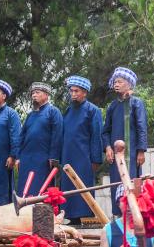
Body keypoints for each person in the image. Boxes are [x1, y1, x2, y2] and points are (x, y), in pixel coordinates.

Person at [102, 67, 148, 215]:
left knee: (132, 181)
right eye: (115, 81)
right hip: (116, 155)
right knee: (116, 182)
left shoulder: (136, 103)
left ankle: (134, 214)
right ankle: (117, 215)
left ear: (129, 84)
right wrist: (108, 147)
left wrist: (141, 150)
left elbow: (142, 127)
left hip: (133, 152)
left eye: (120, 81)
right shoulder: (113, 106)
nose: (116, 84)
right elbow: (105, 131)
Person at [61, 76, 105, 224]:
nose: (73, 94)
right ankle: (71, 218)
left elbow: (96, 136)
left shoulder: (93, 110)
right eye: (71, 91)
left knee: (82, 186)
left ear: (85, 92)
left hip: (83, 156)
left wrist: (96, 159)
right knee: (68, 187)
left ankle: (83, 217)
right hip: (67, 155)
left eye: (76, 91)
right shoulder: (68, 110)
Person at [17, 82, 63, 196]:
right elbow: (21, 136)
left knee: (41, 188)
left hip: (44, 159)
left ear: (46, 95)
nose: (34, 95)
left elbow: (57, 135)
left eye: (37, 92)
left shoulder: (53, 111)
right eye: (33, 93)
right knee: (24, 189)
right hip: (26, 158)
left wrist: (54, 157)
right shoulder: (30, 115)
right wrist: (18, 157)